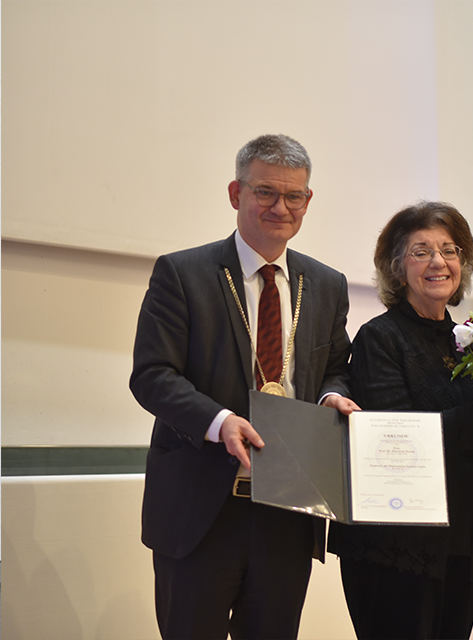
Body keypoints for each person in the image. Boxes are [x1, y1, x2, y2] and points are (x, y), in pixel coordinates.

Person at [130, 134, 359, 639]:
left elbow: (334, 367)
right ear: (236, 194)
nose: (280, 207)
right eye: (265, 193)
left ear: (307, 202)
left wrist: (329, 398)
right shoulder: (183, 273)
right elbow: (152, 375)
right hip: (201, 510)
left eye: (293, 196)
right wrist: (219, 422)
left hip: (288, 509)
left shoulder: (326, 284)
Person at [327, 201, 473, 640]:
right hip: (394, 550)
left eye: (450, 250)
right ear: (397, 267)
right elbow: (397, 447)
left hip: (463, 542)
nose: (438, 262)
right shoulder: (380, 339)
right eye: (421, 251)